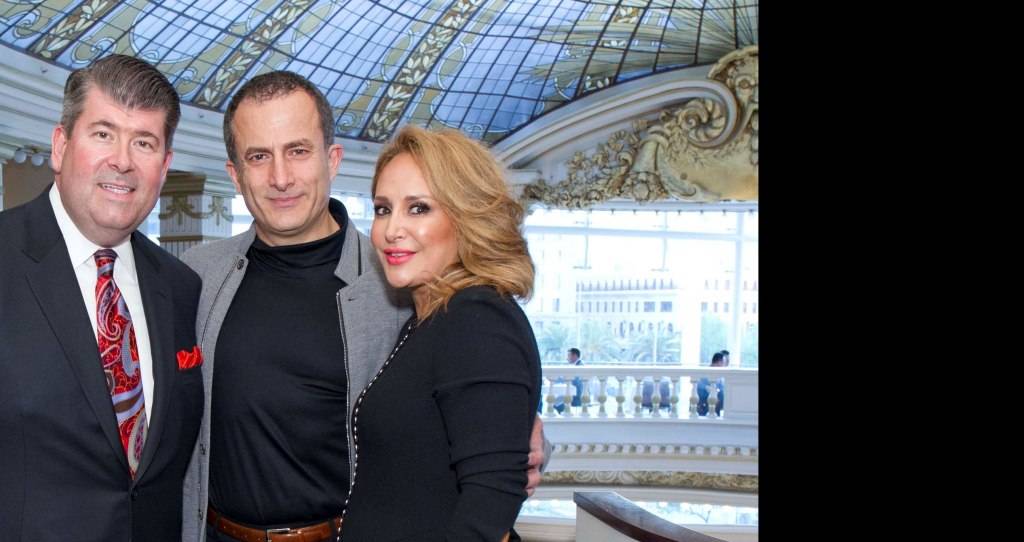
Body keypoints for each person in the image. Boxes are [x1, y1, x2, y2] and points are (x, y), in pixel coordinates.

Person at [179, 71, 547, 542]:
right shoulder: (196, 276)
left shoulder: (401, 278)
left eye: (298, 151)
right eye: (259, 156)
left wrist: (526, 438)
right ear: (235, 174)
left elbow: (480, 405)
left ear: (332, 159)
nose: (280, 177)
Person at [0, 54, 203, 541]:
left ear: (164, 166)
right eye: (103, 133)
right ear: (60, 145)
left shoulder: (180, 285)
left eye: (144, 142)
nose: (123, 161)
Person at [339, 124, 541, 540]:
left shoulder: (477, 320)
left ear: (466, 216)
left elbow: (489, 504)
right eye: (382, 209)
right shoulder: (430, 319)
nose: (392, 229)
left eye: (418, 208)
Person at [552, 347, 584, 413]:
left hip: (576, 394)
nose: (567, 358)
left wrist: (556, 379)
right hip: (572, 391)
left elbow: (572, 380)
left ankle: (563, 415)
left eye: (568, 355)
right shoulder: (576, 365)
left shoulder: (579, 366)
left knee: (555, 403)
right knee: (555, 401)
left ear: (574, 356)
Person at [696, 350, 728, 416]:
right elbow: (700, 388)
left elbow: (721, 390)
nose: (725, 366)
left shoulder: (720, 377)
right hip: (704, 409)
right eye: (724, 363)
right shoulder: (704, 375)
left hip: (716, 408)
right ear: (719, 362)